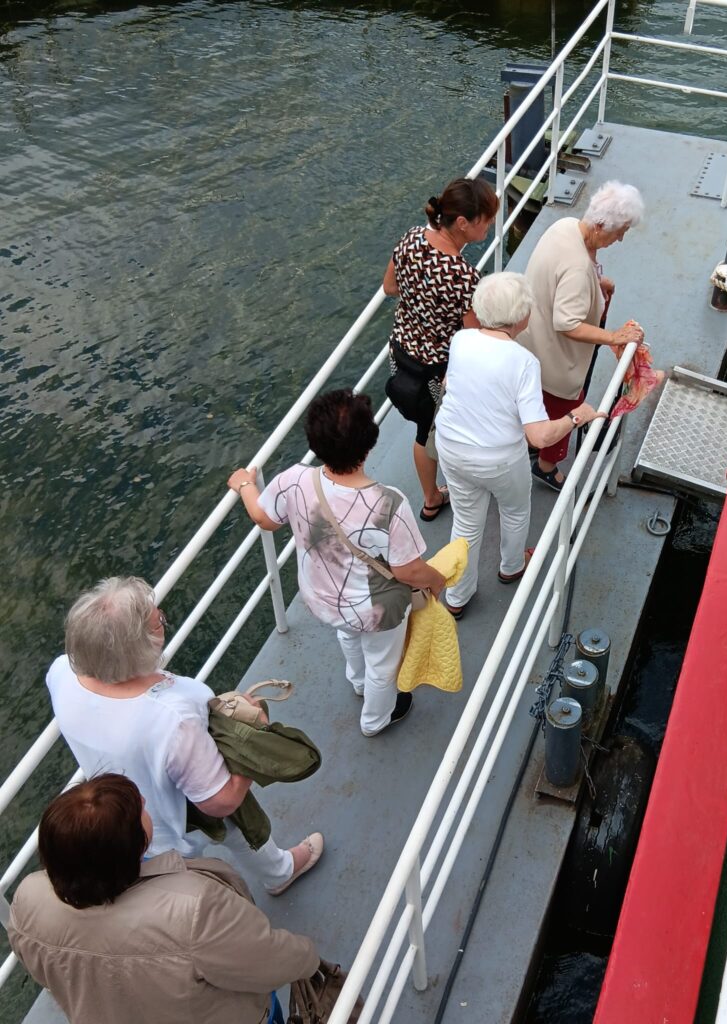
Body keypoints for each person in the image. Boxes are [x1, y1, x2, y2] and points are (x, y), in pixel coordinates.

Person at [46, 577, 321, 896]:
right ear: (137, 650)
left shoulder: (61, 673)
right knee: (235, 826)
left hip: (128, 822)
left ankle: (270, 876)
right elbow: (222, 801)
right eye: (158, 621)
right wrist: (253, 738)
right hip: (179, 818)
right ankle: (280, 873)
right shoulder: (172, 715)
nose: (162, 616)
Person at [8, 774, 320, 1024]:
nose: (144, 801)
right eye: (139, 809)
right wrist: (309, 958)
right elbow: (269, 961)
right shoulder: (195, 908)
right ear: (136, 846)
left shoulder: (28, 898)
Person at [229, 388, 446, 736]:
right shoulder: (389, 504)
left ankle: (357, 681)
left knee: (349, 636)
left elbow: (264, 518)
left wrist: (243, 485)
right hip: (374, 610)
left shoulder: (295, 480)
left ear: (315, 443)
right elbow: (408, 571)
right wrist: (437, 581)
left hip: (324, 598)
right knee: (383, 664)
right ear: (370, 443)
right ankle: (376, 719)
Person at [434, 272, 604, 618]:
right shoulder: (523, 361)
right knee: (514, 509)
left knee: (466, 523)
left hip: (451, 446)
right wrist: (577, 416)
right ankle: (511, 566)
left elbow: (453, 382)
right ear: (520, 317)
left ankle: (457, 596)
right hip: (497, 457)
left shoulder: (461, 339)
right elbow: (539, 436)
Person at [516, 180, 646, 490]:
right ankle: (547, 466)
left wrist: (596, 284)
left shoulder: (565, 227)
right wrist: (614, 336)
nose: (622, 238)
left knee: (531, 403)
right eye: (620, 231)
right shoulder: (577, 266)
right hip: (557, 362)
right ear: (601, 225)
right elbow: (568, 323)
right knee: (562, 409)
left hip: (532, 343)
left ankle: (530, 439)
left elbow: (559, 275)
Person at [383, 177, 499, 520]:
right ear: (463, 223)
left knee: (422, 431)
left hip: (401, 355)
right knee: (445, 430)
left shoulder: (410, 239)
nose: (490, 225)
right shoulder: (463, 276)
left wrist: (420, 302)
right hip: (438, 371)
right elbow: (474, 335)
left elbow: (389, 287)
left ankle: (431, 498)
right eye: (486, 219)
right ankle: (461, 489)